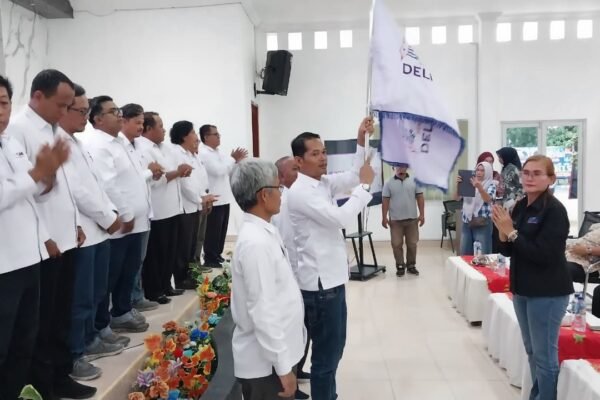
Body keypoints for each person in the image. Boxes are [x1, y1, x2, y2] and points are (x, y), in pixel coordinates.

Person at [7, 69, 98, 399]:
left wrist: (73, 223)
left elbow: (61, 185)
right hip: (41, 245)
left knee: (60, 313)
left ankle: (60, 375)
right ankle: (44, 383)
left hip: (63, 237)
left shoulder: (52, 129)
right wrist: (46, 235)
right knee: (41, 322)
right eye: (61, 105)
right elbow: (26, 191)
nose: (64, 112)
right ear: (38, 96)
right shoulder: (19, 130)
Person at [287, 118, 375, 400]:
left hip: (332, 281)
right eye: (315, 153)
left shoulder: (321, 183)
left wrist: (360, 138)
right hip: (320, 287)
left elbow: (352, 175)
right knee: (326, 359)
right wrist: (364, 188)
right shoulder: (301, 193)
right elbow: (340, 218)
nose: (323, 158)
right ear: (299, 161)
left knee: (334, 351)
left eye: (324, 152)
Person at [0, 75, 70, 400]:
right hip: (3, 265)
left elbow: (31, 194)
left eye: (3, 103)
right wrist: (37, 174)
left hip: (28, 259)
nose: (1, 111)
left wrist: (47, 176)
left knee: (23, 344)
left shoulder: (10, 144)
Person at [492, 155, 573, 400]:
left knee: (545, 356)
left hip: (547, 292)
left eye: (537, 173)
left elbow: (544, 255)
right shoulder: (520, 206)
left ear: (551, 179)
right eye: (526, 173)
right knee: (532, 351)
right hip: (523, 289)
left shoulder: (554, 211)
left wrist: (512, 233)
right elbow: (508, 251)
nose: (529, 178)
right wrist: (503, 233)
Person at [58, 84, 124, 381]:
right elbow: (79, 191)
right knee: (80, 298)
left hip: (99, 230)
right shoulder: (60, 143)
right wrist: (107, 217)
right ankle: (76, 352)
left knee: (96, 292)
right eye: (81, 111)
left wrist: (111, 213)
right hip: (84, 231)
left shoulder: (78, 143)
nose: (85, 116)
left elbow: (97, 185)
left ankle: (91, 338)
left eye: (87, 111)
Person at [230, 158, 305, 400]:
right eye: (277, 187)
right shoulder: (256, 244)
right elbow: (262, 308)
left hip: (275, 358)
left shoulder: (264, 232)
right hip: (266, 365)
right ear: (264, 195)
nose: (281, 194)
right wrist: (283, 366)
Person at [82, 96, 151, 339]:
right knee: (110, 277)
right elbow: (109, 185)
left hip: (134, 222)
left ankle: (122, 311)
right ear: (98, 119)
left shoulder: (119, 142)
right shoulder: (98, 145)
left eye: (118, 110)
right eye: (113, 112)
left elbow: (132, 178)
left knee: (128, 271)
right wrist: (126, 213)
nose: (119, 115)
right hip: (121, 224)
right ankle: (103, 324)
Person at [137, 112, 191, 303]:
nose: (164, 129)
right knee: (157, 254)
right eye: (160, 126)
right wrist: (177, 172)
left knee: (170, 251)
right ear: (148, 129)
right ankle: (154, 290)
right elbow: (155, 180)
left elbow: (171, 170)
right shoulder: (143, 149)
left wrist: (180, 171)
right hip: (159, 209)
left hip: (173, 207)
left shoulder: (164, 148)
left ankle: (166, 285)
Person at [271, 156, 310, 400]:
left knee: (303, 327)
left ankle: (299, 368)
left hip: (302, 271)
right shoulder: (283, 201)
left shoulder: (297, 196)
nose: (300, 172)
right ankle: (289, 381)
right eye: (295, 169)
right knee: (292, 329)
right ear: (281, 177)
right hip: (292, 272)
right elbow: (287, 241)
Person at [120, 103, 163, 310]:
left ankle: (136, 297)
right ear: (124, 121)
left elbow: (141, 178)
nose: (140, 127)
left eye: (142, 123)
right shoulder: (119, 146)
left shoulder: (136, 147)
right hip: (127, 215)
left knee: (138, 260)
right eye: (137, 122)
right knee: (128, 264)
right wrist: (149, 172)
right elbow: (127, 180)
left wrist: (152, 173)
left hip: (142, 212)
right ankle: (127, 303)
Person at [170, 121, 216, 289]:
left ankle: (191, 274)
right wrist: (199, 199)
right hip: (186, 206)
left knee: (192, 243)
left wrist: (204, 197)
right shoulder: (177, 154)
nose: (196, 137)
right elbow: (185, 184)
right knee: (184, 245)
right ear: (184, 136)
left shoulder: (192, 154)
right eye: (193, 133)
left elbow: (199, 180)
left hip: (196, 204)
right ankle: (181, 278)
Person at [198, 124, 247, 267]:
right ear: (206, 137)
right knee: (212, 231)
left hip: (224, 197)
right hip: (213, 198)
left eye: (218, 134)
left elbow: (228, 168)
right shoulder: (204, 153)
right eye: (215, 134)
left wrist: (235, 161)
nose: (219, 136)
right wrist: (233, 159)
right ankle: (210, 258)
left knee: (221, 230)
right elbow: (219, 170)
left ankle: (217, 254)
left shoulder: (218, 152)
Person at [381, 165, 425, 277]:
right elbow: (385, 201)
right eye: (397, 167)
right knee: (396, 244)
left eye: (403, 166)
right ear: (393, 168)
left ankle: (411, 265)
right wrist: (384, 217)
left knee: (412, 244)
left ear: (407, 167)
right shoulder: (388, 183)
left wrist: (422, 214)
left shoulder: (415, 181)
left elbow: (420, 197)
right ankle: (400, 265)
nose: (400, 169)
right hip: (395, 220)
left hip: (412, 219)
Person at [456, 162, 496, 255]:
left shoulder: (491, 184)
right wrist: (458, 186)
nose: (479, 172)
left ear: (488, 172)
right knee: (465, 252)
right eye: (477, 170)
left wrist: (480, 188)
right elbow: (456, 198)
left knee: (482, 253)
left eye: (482, 170)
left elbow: (488, 199)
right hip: (467, 221)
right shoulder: (469, 182)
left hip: (482, 222)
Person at [496, 147, 523, 212]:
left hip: (513, 201)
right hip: (505, 200)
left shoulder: (513, 168)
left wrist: (517, 199)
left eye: (500, 157)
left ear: (506, 156)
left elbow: (521, 185)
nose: (499, 159)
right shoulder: (505, 168)